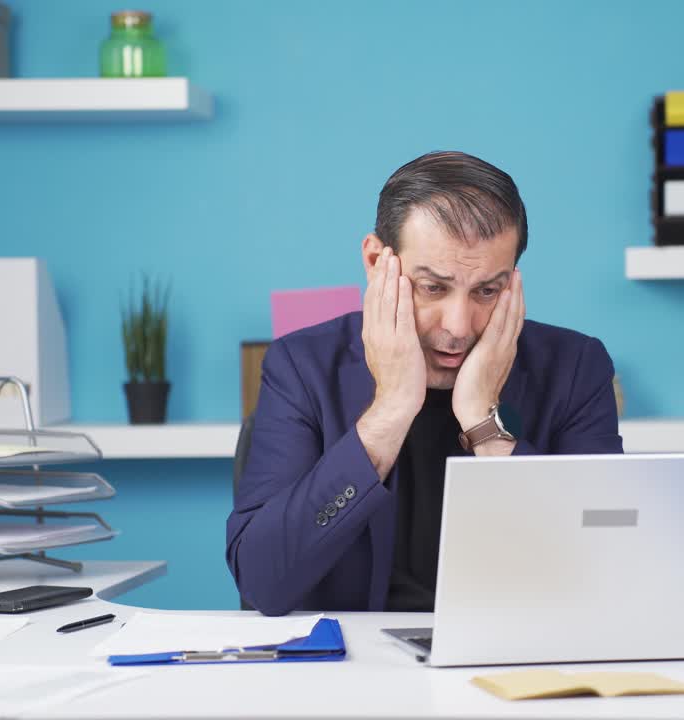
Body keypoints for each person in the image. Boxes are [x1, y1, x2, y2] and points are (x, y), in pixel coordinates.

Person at [226, 151, 623, 616]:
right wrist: (390, 410)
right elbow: (262, 582)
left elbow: (606, 567)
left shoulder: (575, 367)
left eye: (487, 291)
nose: (458, 325)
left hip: (515, 663)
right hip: (351, 674)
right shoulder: (302, 366)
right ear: (377, 261)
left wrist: (484, 424)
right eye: (432, 288)